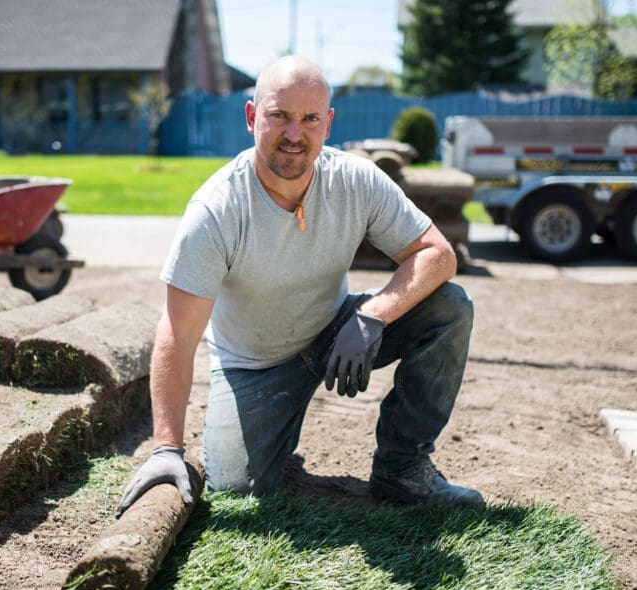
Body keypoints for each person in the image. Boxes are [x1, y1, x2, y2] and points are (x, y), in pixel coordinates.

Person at [115, 56, 482, 517]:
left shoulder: (355, 179)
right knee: (238, 489)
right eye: (279, 116)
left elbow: (437, 253)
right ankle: (273, 427)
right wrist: (166, 447)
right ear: (252, 117)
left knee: (449, 306)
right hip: (255, 365)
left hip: (336, 334)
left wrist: (372, 316)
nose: (295, 133)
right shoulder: (216, 210)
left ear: (327, 124)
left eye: (310, 119)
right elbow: (178, 332)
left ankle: (404, 468)